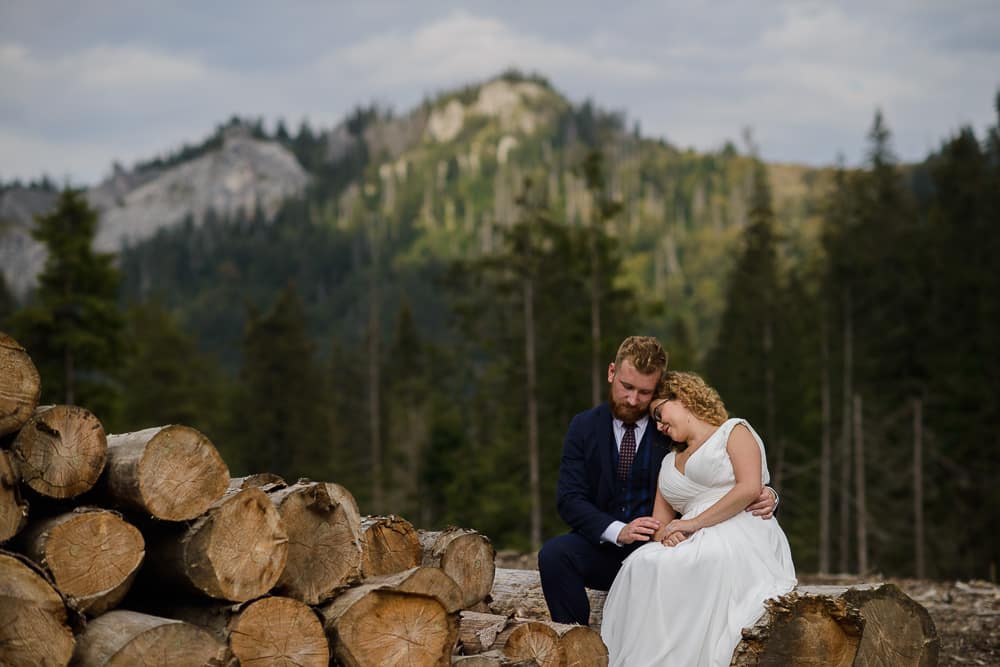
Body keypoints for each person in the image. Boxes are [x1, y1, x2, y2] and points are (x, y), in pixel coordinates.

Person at [537, 337, 777, 626]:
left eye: (645, 392)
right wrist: (618, 530)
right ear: (612, 372)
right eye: (627, 387)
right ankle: (576, 645)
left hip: (669, 546)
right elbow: (569, 499)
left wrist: (768, 495)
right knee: (553, 556)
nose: (633, 400)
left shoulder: (670, 424)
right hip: (602, 547)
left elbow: (718, 472)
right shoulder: (583, 426)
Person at [600, 371, 797, 666]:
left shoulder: (733, 431)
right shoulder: (667, 462)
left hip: (737, 527)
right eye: (654, 421)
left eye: (659, 413)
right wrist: (666, 534)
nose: (659, 425)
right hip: (688, 535)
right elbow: (660, 521)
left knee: (696, 561)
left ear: (682, 397)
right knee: (642, 563)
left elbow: (749, 488)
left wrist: (692, 524)